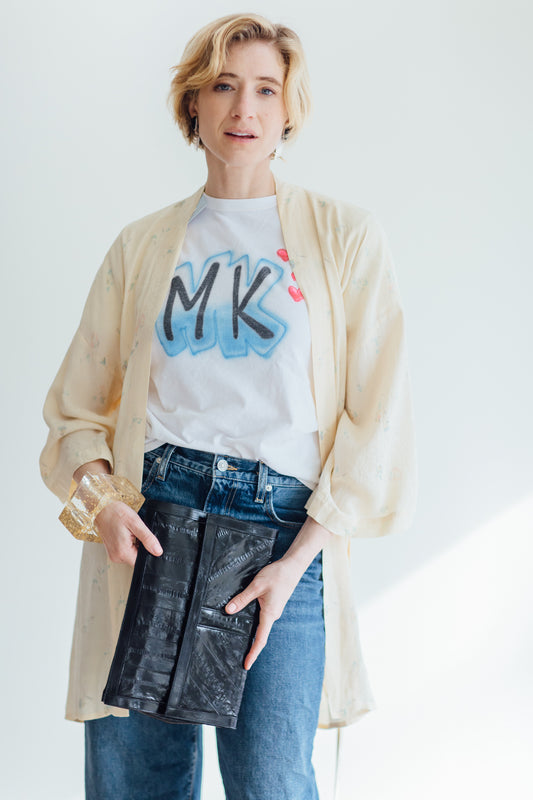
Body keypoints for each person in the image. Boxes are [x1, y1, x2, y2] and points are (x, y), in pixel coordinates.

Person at [40, 12, 417, 800]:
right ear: (193, 104)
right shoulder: (143, 246)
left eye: (265, 89)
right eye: (223, 86)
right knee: (135, 784)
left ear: (289, 109)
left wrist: (297, 562)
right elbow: (75, 412)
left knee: (272, 783)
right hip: (152, 524)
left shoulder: (344, 238)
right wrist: (105, 508)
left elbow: (376, 420)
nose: (244, 108)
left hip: (282, 537)